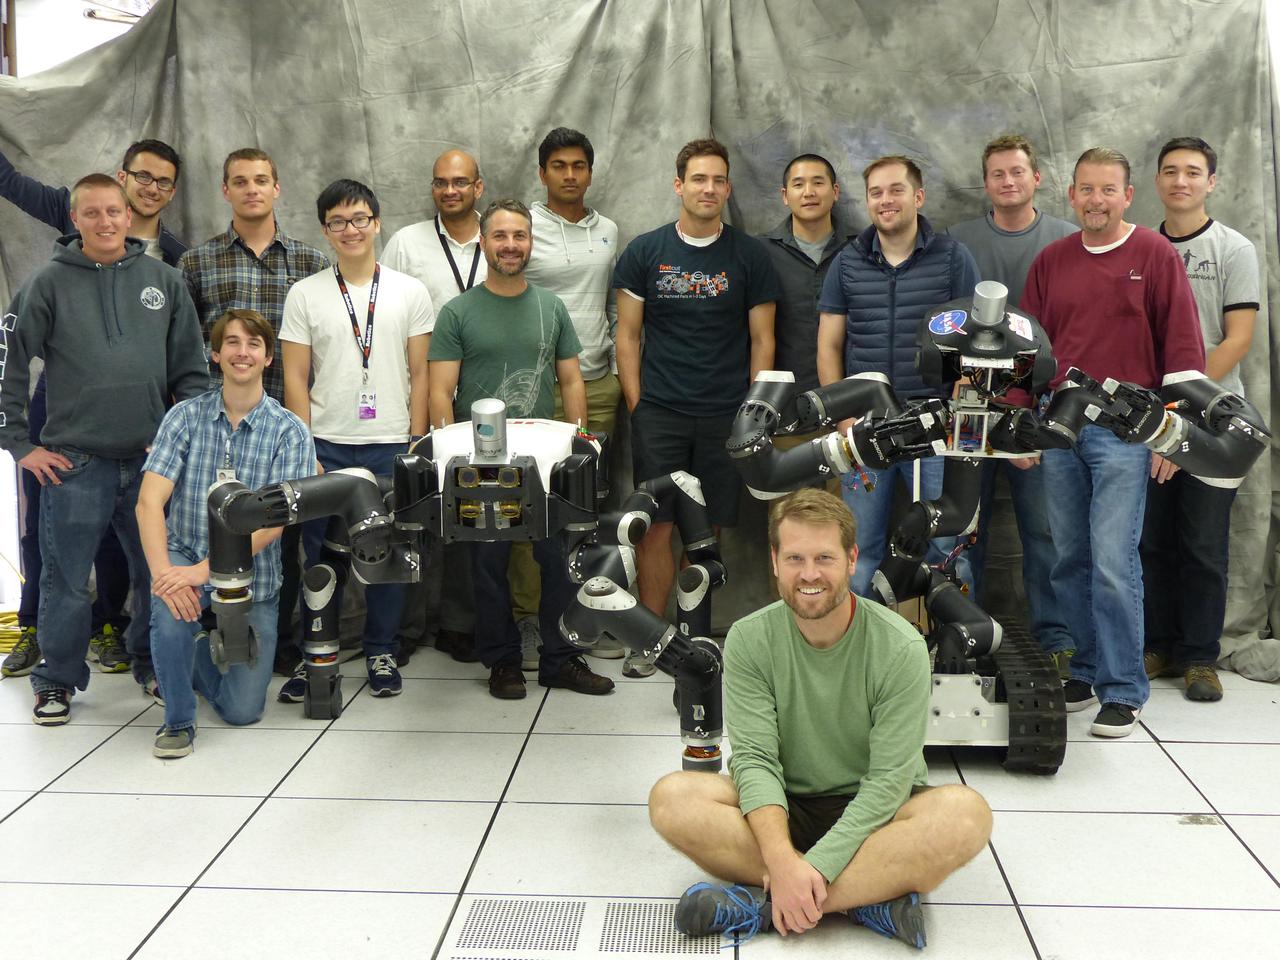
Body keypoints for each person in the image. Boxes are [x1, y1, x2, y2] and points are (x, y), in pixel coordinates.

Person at [648, 489, 991, 949]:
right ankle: (864, 896)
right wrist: (784, 859)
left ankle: (770, 907)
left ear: (852, 560)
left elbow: (889, 781)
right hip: (785, 806)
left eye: (824, 558)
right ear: (774, 562)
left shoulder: (901, 647)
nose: (809, 574)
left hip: (879, 815)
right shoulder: (750, 639)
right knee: (673, 798)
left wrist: (813, 868)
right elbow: (755, 762)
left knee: (966, 815)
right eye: (795, 558)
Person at [0, 174, 207, 724]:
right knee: (65, 581)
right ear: (75, 220)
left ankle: (152, 664)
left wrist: (182, 444)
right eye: (91, 213)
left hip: (150, 464)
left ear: (128, 214)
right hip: (74, 463)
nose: (105, 222)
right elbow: (10, 364)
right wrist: (19, 444)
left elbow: (191, 373)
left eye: (113, 212)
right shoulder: (46, 285)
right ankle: (56, 681)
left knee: (153, 573)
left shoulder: (164, 280)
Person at [1022, 147, 1204, 737]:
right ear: (1070, 195)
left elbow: (1182, 348)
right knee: (1067, 556)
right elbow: (1030, 352)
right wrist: (1022, 421)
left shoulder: (1153, 255)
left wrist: (1172, 435)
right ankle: (1085, 666)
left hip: (1127, 432)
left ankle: (1123, 688)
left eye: (1108, 190)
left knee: (1113, 561)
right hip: (1059, 428)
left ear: (1128, 196)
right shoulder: (1051, 261)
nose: (1095, 201)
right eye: (1086, 190)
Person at [428, 199, 613, 700]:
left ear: (531, 243)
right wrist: (448, 463)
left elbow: (571, 379)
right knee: (488, 565)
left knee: (560, 560)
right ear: (484, 242)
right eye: (501, 236)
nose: (511, 245)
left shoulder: (550, 307)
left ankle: (560, 658)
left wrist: (581, 445)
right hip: (481, 466)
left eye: (520, 237)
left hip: (548, 466)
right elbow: (440, 391)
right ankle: (503, 662)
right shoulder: (458, 312)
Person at [614, 138, 779, 675]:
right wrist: (640, 408)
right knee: (656, 528)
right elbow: (628, 338)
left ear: (728, 189)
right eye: (698, 179)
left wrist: (753, 414)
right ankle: (649, 639)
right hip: (660, 412)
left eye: (718, 181)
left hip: (725, 416)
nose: (709, 189)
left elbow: (762, 342)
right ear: (678, 184)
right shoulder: (645, 252)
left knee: (707, 533)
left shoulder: (750, 256)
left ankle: (693, 639)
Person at [278, 178, 433, 700]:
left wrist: (415, 441)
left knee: (384, 554)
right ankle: (315, 651)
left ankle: (381, 649)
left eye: (360, 218)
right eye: (339, 221)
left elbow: (421, 372)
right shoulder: (306, 293)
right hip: (326, 444)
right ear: (325, 230)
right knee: (322, 557)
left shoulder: (409, 291)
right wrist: (304, 449)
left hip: (391, 442)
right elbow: (295, 378)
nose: (351, 229)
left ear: (377, 222)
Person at [178, 147, 329, 679]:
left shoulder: (311, 263)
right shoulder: (197, 262)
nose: (251, 190)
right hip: (217, 422)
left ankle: (278, 642)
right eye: (239, 181)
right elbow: (182, 349)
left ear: (277, 187)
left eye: (261, 180)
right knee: (210, 525)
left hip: (284, 426)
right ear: (226, 191)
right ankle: (197, 632)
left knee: (281, 534)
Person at [137, 309, 314, 757]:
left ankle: (191, 654)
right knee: (171, 609)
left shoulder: (290, 431)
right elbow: (149, 503)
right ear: (215, 354)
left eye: (253, 344)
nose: (242, 352)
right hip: (184, 548)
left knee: (241, 710)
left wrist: (202, 572)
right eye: (232, 343)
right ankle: (177, 720)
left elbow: (273, 525)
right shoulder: (184, 417)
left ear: (268, 358)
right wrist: (165, 574)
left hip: (254, 573)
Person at [816, 155, 980, 597]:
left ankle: (951, 650)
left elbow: (976, 343)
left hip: (935, 428)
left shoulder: (952, 258)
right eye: (876, 192)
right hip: (866, 428)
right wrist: (842, 419)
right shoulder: (847, 262)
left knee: (944, 546)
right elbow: (829, 345)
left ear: (918, 196)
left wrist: (956, 414)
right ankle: (861, 652)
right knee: (860, 547)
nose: (885, 200)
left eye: (896, 190)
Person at [945, 135, 1078, 676]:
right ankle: (963, 632)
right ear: (986, 182)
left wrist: (1039, 408)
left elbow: (1067, 331)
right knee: (961, 526)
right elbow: (946, 328)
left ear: (1037, 177)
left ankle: (1058, 637)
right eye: (997, 173)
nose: (1008, 182)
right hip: (971, 406)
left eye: (1017, 172)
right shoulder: (960, 243)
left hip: (1037, 411)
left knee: (1045, 532)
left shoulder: (1066, 241)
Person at [1142, 137, 1260, 702]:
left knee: (1203, 546)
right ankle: (1158, 646)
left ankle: (1199, 657)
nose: (1181, 181)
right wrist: (1158, 416)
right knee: (1151, 541)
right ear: (1157, 182)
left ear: (1211, 181)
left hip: (1211, 424)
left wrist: (1182, 407)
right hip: (1148, 420)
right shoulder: (1137, 248)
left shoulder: (1234, 249)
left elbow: (1237, 339)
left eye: (1193, 172)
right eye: (1170, 172)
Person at [510, 127, 622, 669]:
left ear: (590, 172)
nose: (570, 175)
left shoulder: (610, 231)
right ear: (543, 172)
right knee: (534, 513)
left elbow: (612, 307)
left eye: (579, 165)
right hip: (540, 391)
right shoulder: (525, 230)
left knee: (584, 510)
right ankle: (531, 620)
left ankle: (583, 616)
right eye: (559, 166)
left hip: (597, 385)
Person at [382, 149, 487, 665]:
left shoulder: (501, 238)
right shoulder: (407, 243)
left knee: (474, 511)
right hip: (427, 389)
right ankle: (406, 629)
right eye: (441, 182)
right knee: (418, 511)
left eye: (460, 182)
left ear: (478, 188)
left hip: (489, 392)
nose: (450, 191)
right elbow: (389, 314)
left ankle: (462, 625)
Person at [758, 152, 852, 496]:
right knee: (791, 516)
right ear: (785, 195)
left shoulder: (860, 250)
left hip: (848, 410)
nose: (809, 191)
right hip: (787, 412)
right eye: (798, 184)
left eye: (818, 182)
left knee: (843, 518)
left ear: (836, 191)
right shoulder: (761, 253)